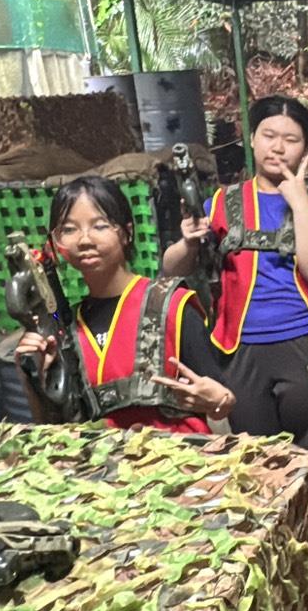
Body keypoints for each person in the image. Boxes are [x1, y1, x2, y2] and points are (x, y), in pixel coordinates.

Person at [161, 96, 308, 463]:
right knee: (256, 458)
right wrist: (188, 241)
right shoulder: (220, 202)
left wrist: (299, 203)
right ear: (252, 139)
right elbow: (172, 268)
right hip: (238, 348)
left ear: (306, 148)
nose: (278, 147)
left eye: (291, 139)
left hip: (306, 345)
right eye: (268, 135)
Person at [14, 176, 232, 431]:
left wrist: (220, 400)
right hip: (103, 456)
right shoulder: (66, 327)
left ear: (127, 233)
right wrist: (32, 374)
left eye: (100, 226)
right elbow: (52, 425)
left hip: (178, 453)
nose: (85, 240)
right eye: (69, 229)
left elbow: (222, 400)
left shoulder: (170, 306)